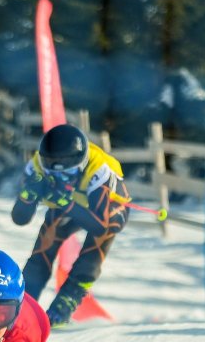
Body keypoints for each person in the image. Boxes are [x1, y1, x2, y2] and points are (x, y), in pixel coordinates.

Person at [11, 123, 129, 328]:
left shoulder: (98, 168)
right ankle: (22, 303)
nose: (59, 178)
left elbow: (99, 225)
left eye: (66, 174)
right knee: (44, 246)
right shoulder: (36, 167)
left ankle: (68, 299)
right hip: (69, 207)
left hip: (106, 210)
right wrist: (27, 196)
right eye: (52, 173)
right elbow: (20, 219)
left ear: (81, 165)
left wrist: (65, 201)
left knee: (103, 236)